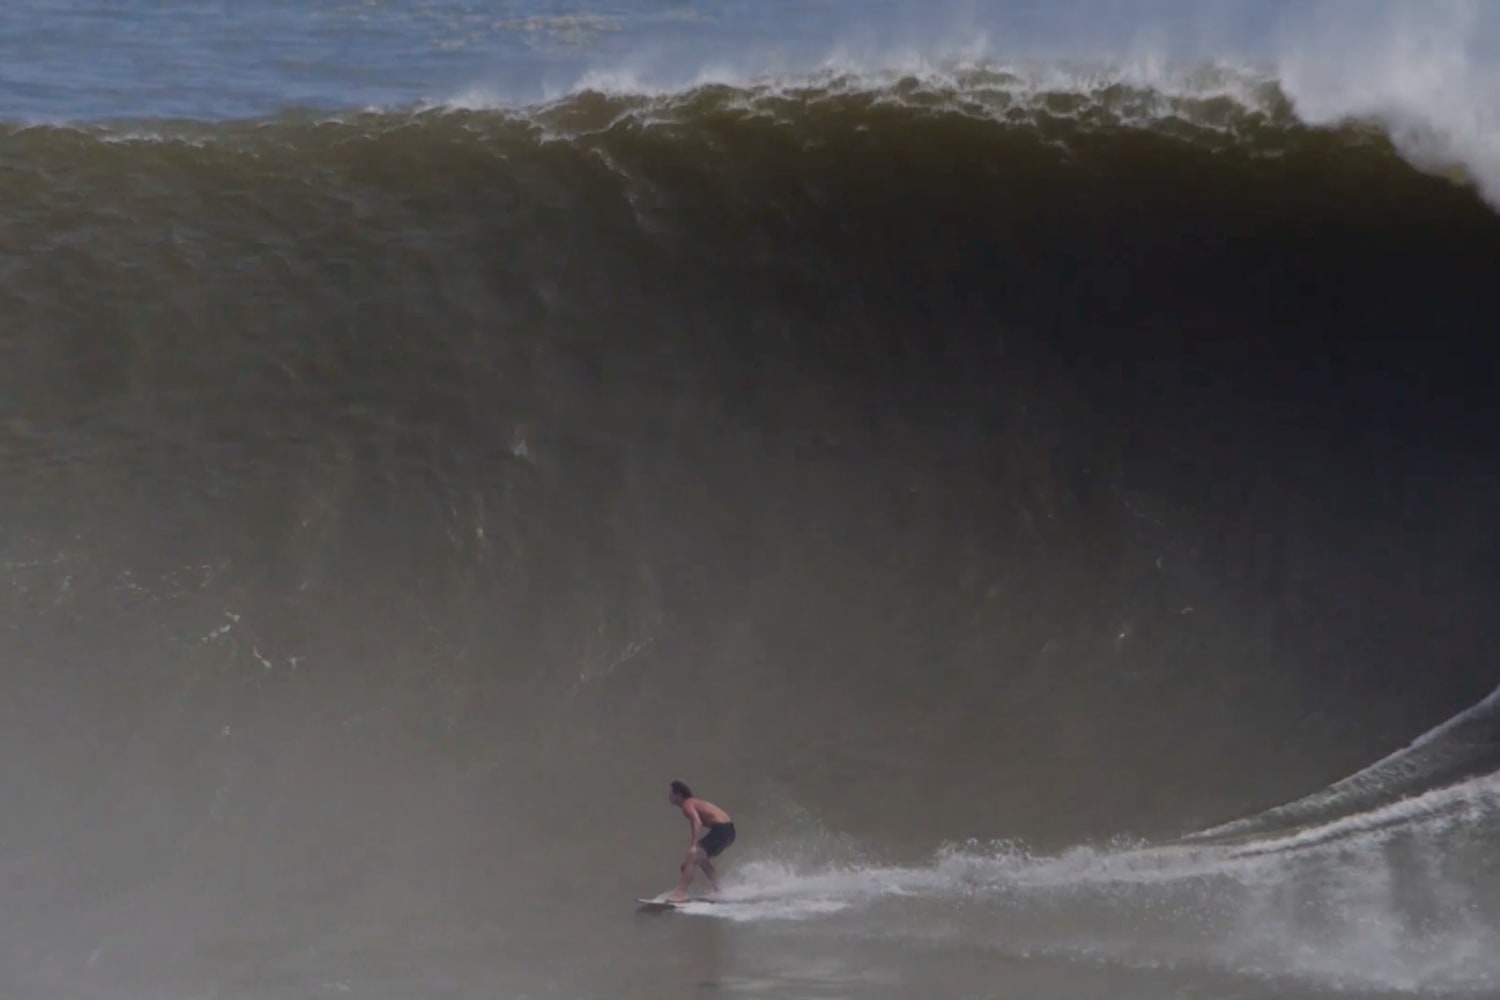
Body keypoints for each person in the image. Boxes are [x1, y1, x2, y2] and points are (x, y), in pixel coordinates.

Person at [665, 780, 735, 901]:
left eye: (670, 793)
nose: (668, 796)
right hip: (728, 831)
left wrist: (694, 845)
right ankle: (721, 889)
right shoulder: (693, 803)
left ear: (678, 794)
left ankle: (679, 894)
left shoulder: (687, 804)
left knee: (694, 856)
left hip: (722, 830)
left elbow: (697, 822)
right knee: (700, 859)